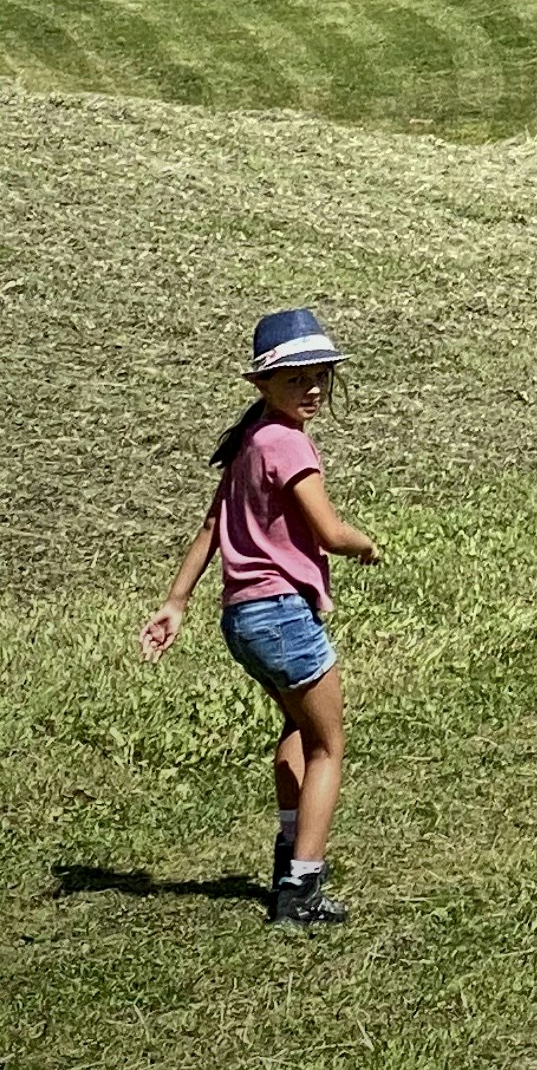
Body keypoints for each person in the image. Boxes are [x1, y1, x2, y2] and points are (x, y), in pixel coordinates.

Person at [141, 307, 378, 928]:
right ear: (262, 385)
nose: (313, 388)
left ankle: (286, 862)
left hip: (241, 619)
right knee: (329, 745)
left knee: (296, 735)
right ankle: (302, 892)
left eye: (320, 375)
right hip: (281, 615)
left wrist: (176, 602)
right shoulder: (287, 443)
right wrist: (365, 543)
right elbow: (327, 531)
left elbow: (211, 528)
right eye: (296, 378)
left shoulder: (250, 442)